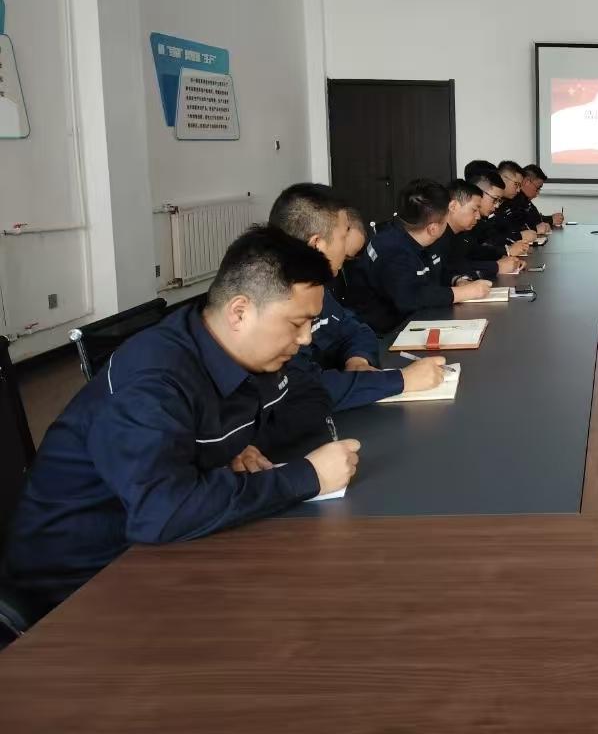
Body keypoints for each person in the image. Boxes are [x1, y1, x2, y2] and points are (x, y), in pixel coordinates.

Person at [1, 226, 361, 613]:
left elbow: (305, 396)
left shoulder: (237, 348)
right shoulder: (154, 382)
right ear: (239, 312)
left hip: (156, 548)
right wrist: (307, 476)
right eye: (296, 323)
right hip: (74, 588)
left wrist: (233, 447)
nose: (307, 339)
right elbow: (161, 513)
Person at [269, 183, 446, 410]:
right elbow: (300, 388)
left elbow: (355, 329)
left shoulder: (315, 286)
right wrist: (401, 380)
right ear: (317, 245)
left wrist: (358, 360)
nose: (347, 250)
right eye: (344, 235)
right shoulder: (272, 300)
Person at [343, 179, 492, 335]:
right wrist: (464, 293)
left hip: (416, 321)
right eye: (445, 220)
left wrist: (457, 280)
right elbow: (409, 298)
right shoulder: (390, 248)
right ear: (433, 229)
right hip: (384, 334)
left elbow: (436, 271)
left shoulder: (420, 236)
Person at [440, 178, 524, 280]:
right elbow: (449, 269)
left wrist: (506, 258)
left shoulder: (460, 234)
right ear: (453, 206)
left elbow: (476, 253)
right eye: (474, 210)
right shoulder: (437, 236)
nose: (478, 216)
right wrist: (496, 267)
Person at [467, 167, 531, 258]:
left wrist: (507, 250)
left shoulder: (482, 219)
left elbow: (491, 238)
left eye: (499, 201)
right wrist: (506, 251)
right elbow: (470, 254)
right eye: (495, 199)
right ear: (478, 193)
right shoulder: (465, 221)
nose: (497, 206)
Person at [495, 160, 539, 243]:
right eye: (516, 184)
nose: (518, 190)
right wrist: (518, 236)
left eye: (520, 186)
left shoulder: (509, 201)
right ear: (502, 179)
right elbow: (489, 238)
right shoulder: (490, 204)